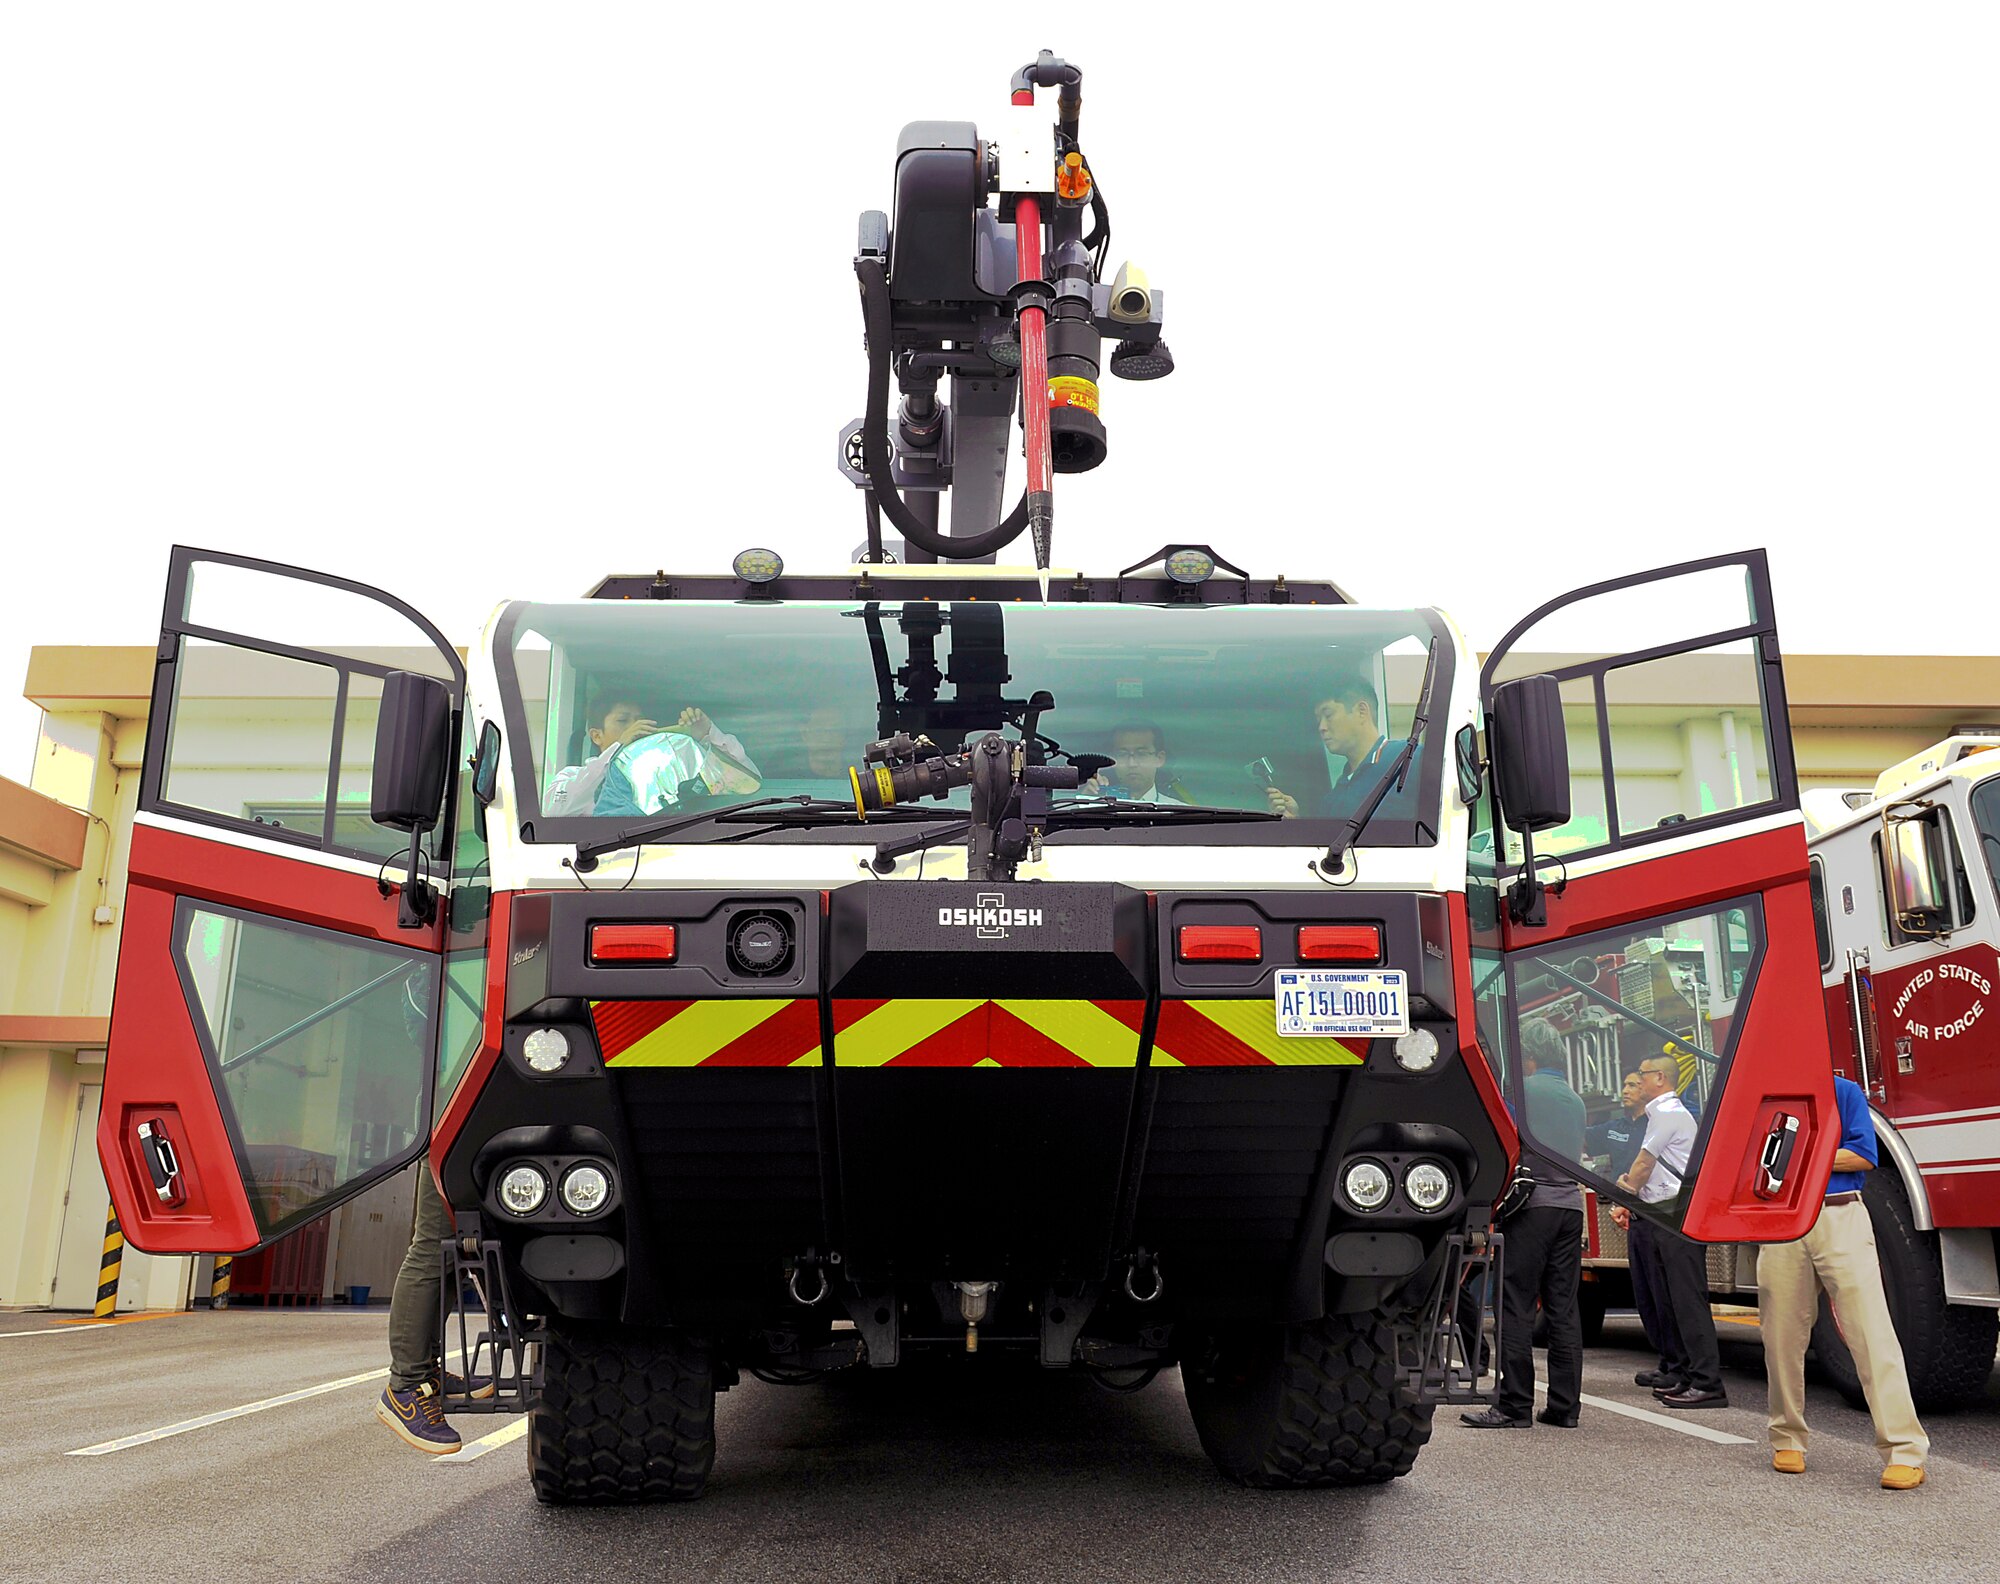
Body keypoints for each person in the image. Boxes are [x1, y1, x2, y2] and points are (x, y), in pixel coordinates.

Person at [1757, 1074, 1928, 1489]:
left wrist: (1798, 1159)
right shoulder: (1759, 1095)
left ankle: (1904, 1449)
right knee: (1780, 1337)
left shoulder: (1844, 1091)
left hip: (1839, 1214)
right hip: (1781, 1220)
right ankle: (1787, 1439)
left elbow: (1863, 1154)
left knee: (1871, 1333)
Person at [1462, 1019, 1586, 1429]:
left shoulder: (1522, 1092)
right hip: (1570, 1207)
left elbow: (1503, 1139)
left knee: (1515, 1304)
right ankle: (1565, 1408)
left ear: (1528, 1056)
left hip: (1531, 1207)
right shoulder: (1574, 1098)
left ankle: (1514, 1405)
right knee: (1563, 1309)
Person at [1618, 1051, 1727, 1409]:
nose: (1638, 1079)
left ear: (1660, 1079)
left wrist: (1626, 1192)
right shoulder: (1662, 1114)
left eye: (1643, 1074)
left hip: (1675, 1215)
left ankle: (1707, 1382)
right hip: (1664, 1213)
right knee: (1669, 1300)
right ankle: (1684, 1372)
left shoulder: (1666, 1114)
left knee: (1687, 1300)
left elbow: (1644, 1162)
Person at [1263, 675, 1413, 821]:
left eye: (1328, 715)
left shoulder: (1410, 759)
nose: (1321, 727)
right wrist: (1295, 820)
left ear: (1361, 711)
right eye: (1318, 720)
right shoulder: (1332, 800)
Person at [1082, 720, 1192, 803]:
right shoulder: (1096, 805)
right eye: (1122, 754)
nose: (1132, 763)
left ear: (1159, 759)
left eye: (1141, 754)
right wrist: (1086, 803)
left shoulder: (1178, 813)